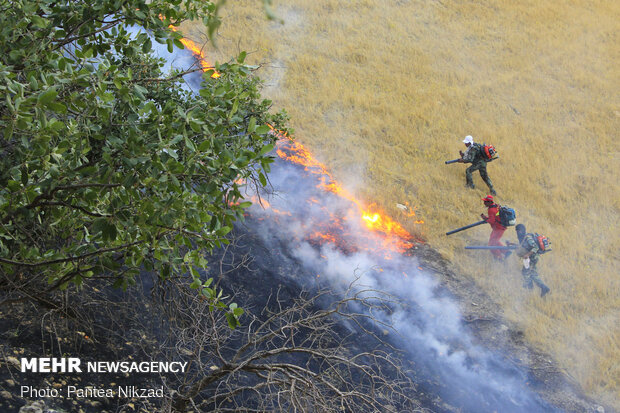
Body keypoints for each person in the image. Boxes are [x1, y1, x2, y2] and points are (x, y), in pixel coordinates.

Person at [515, 224, 550, 297]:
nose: (517, 232)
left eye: (518, 231)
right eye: (517, 231)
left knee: (526, 272)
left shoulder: (528, 238)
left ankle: (529, 286)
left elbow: (536, 247)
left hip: (533, 257)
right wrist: (511, 244)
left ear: (522, 230)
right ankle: (543, 288)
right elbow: (523, 246)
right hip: (532, 257)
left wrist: (527, 254)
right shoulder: (524, 237)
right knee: (532, 273)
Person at [480, 195, 509, 260]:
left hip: (498, 228)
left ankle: (499, 257)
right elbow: (495, 218)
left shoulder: (491, 210)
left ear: (490, 202)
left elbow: (492, 221)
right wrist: (487, 218)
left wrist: (485, 218)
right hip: (500, 227)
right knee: (495, 241)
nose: (484, 203)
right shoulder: (496, 206)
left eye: (485, 201)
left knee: (491, 245)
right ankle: (506, 252)